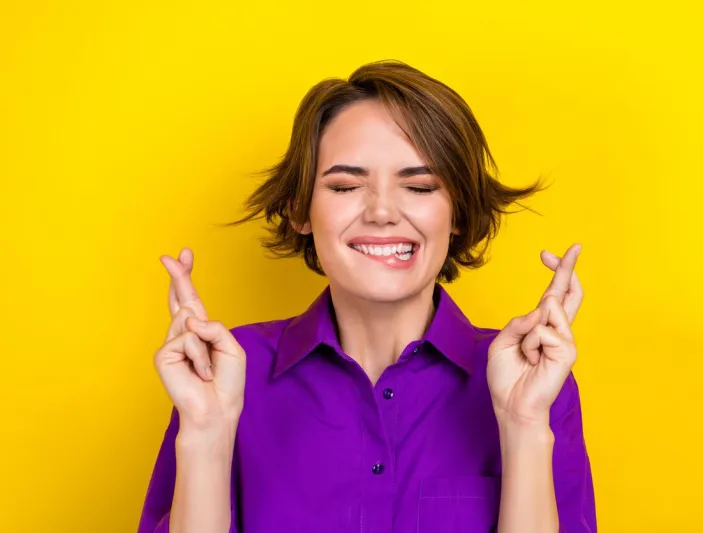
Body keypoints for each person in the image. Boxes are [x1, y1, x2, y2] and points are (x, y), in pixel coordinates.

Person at [138, 60, 596, 533]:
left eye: (418, 186)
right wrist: (205, 436)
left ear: (457, 213)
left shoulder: (532, 381)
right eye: (346, 185)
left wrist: (523, 425)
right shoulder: (229, 373)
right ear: (300, 209)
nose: (381, 211)